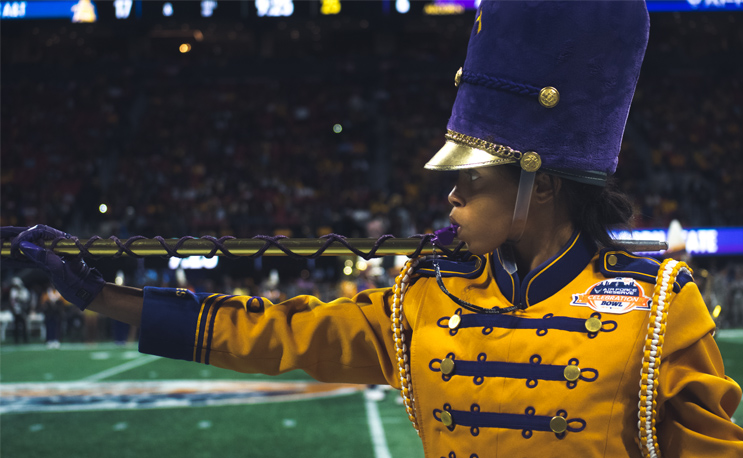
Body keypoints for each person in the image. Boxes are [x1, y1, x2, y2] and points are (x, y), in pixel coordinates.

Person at [2, 1, 742, 456]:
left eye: (470, 178)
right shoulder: (425, 294)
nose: (449, 194)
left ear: (540, 184)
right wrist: (105, 298)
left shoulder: (657, 307)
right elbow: (280, 333)